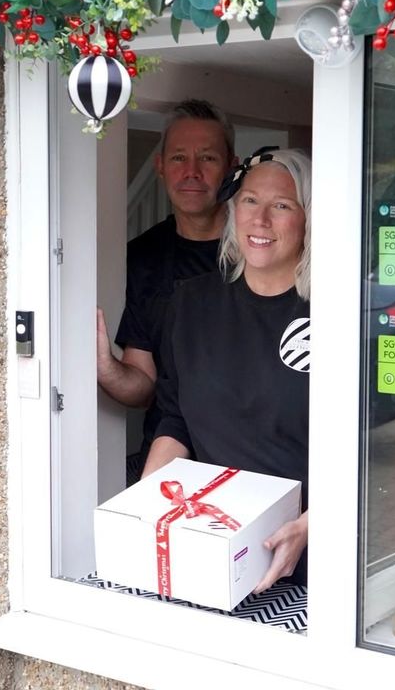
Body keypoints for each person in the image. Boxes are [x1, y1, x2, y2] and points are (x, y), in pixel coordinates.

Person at [144, 149, 312, 594]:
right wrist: (145, 508)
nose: (260, 219)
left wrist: (311, 525)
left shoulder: (338, 312)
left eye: (282, 205)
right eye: (250, 200)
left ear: (309, 220)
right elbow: (175, 418)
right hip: (213, 549)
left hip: (313, 559)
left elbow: (377, 452)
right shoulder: (192, 303)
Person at [97, 100, 237, 481]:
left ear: (231, 166)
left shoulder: (258, 250)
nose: (192, 171)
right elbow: (144, 387)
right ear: (160, 166)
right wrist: (105, 368)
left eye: (207, 158)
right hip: (170, 462)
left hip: (248, 462)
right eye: (178, 158)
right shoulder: (142, 258)